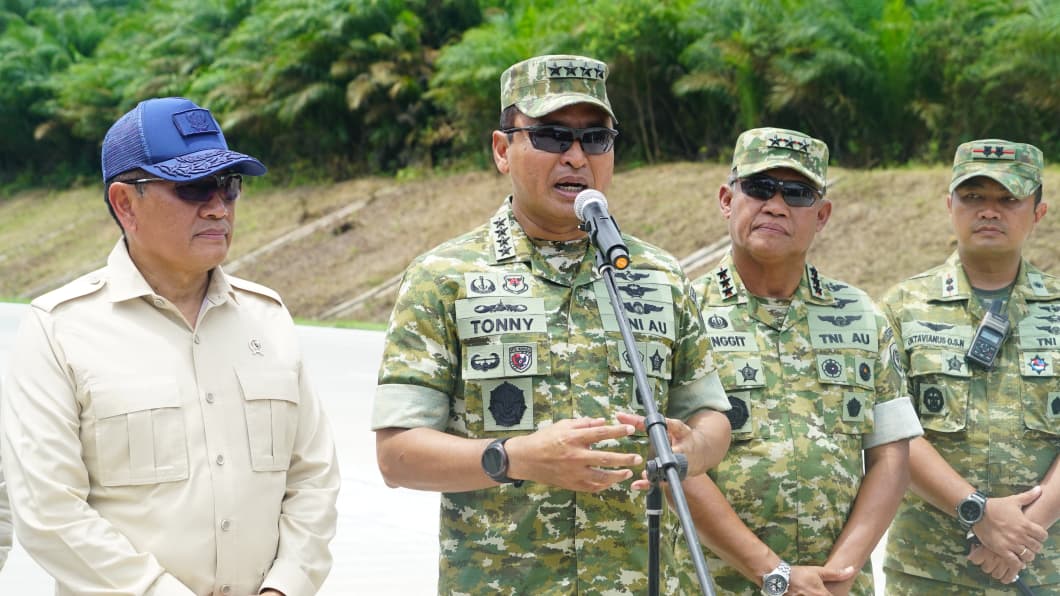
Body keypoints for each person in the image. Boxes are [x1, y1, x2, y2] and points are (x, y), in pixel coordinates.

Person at [371, 54, 732, 594]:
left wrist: (693, 450)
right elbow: (397, 455)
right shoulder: (444, 277)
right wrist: (514, 458)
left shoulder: (658, 275)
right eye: (550, 136)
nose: (576, 157)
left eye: (595, 139)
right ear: (502, 149)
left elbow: (709, 415)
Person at [0, 97, 340, 595]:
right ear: (124, 203)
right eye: (194, 187)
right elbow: (50, 511)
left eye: (229, 186)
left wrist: (284, 586)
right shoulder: (60, 330)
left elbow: (313, 478)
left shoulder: (267, 318)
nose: (218, 207)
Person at [678, 127, 922, 595]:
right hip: (713, 584)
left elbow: (891, 455)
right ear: (727, 199)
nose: (775, 204)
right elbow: (673, 463)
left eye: (797, 193)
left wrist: (838, 575)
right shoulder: (681, 313)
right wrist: (776, 574)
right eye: (759, 187)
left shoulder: (862, 316)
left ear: (822, 214)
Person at [882, 139, 1060, 594]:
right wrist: (977, 511)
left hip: (1044, 570)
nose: (989, 211)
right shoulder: (901, 308)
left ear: (1037, 213)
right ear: (950, 205)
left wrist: (1023, 533)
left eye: (1008, 199)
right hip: (929, 572)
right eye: (973, 196)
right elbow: (891, 430)